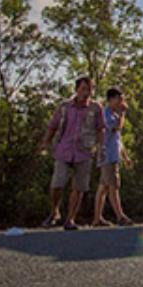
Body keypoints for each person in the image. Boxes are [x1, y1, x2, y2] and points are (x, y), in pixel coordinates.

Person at [40, 76, 105, 230]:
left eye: (90, 89)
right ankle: (54, 211)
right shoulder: (64, 106)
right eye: (83, 89)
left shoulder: (96, 108)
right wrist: (45, 143)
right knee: (57, 183)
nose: (87, 92)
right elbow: (53, 126)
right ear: (76, 90)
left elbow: (100, 128)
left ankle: (70, 219)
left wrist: (102, 148)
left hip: (84, 150)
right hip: (64, 149)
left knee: (79, 186)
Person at [93, 88, 133, 226]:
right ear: (111, 99)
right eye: (119, 99)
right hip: (107, 155)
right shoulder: (106, 114)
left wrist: (125, 156)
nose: (121, 102)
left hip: (113, 155)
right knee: (113, 185)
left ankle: (97, 218)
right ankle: (120, 216)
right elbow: (116, 128)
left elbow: (118, 139)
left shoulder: (114, 115)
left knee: (103, 187)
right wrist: (123, 113)